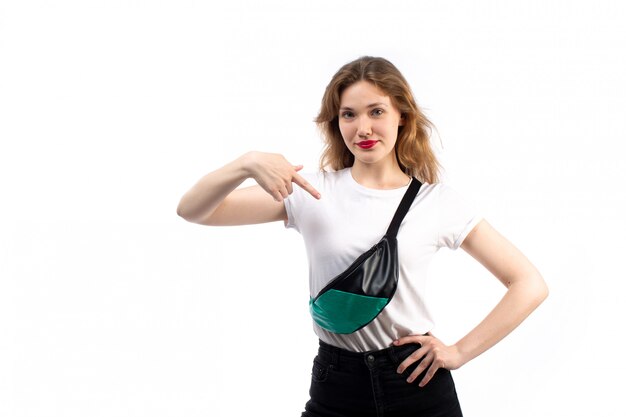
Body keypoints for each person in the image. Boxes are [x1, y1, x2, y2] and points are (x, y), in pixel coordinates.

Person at [176, 56, 549, 417]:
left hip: (415, 383)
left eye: (376, 111)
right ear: (336, 122)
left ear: (402, 116)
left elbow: (529, 283)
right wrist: (244, 163)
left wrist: (459, 352)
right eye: (348, 114)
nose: (363, 128)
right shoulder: (312, 193)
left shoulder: (436, 203)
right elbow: (194, 210)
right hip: (336, 384)